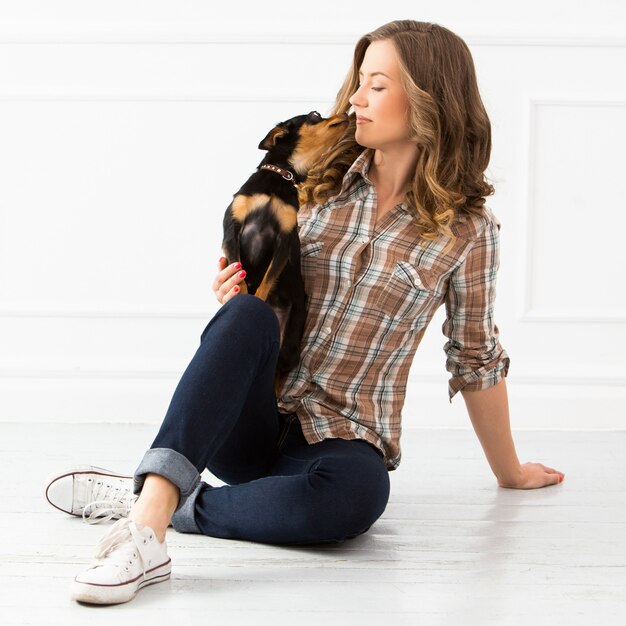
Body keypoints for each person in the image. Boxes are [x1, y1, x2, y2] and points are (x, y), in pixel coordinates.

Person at [45, 19, 565, 605]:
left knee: (356, 499)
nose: (355, 100)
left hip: (342, 435)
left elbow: (474, 356)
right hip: (253, 420)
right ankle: (145, 533)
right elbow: (256, 286)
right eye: (358, 83)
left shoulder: (468, 232)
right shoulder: (310, 180)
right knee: (245, 318)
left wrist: (510, 471)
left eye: (377, 86)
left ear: (427, 100)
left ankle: (164, 500)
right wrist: (235, 294)